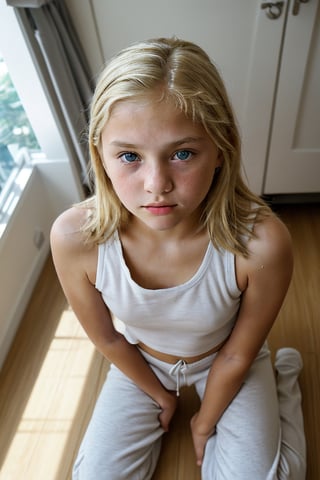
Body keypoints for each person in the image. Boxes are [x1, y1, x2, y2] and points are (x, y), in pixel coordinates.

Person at [50, 37, 306, 479]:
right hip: (141, 359)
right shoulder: (76, 237)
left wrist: (203, 424)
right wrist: (161, 395)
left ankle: (283, 382)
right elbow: (110, 340)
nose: (156, 184)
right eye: (129, 156)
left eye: (182, 153)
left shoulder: (262, 242)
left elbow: (235, 357)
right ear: (100, 154)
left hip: (227, 356)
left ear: (222, 147)